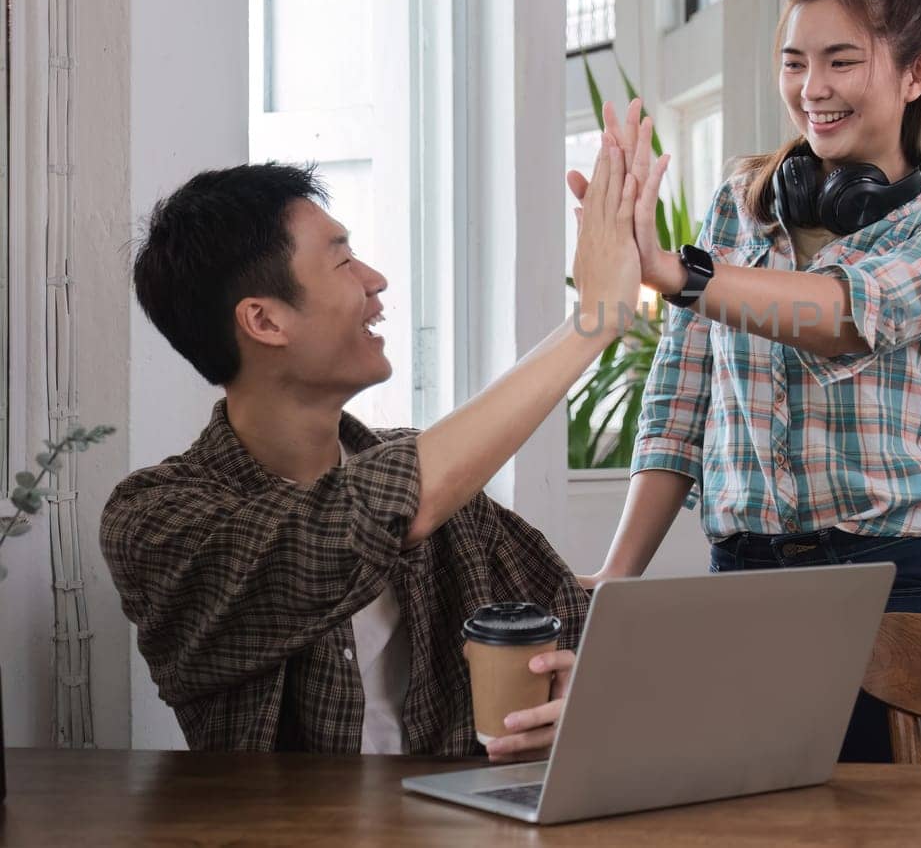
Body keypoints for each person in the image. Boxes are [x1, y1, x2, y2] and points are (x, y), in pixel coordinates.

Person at [575, 0, 921, 763]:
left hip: (901, 581)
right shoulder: (738, 206)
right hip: (746, 579)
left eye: (842, 61)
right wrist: (617, 576)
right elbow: (680, 399)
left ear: (916, 74)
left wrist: (674, 271)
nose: (814, 90)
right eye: (795, 62)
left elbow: (841, 315)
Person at [101, 136, 641, 759]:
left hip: (459, 823)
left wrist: (573, 686)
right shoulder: (154, 520)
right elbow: (351, 524)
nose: (375, 280)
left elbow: (570, 614)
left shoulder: (444, 491)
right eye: (343, 261)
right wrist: (593, 323)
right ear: (265, 322)